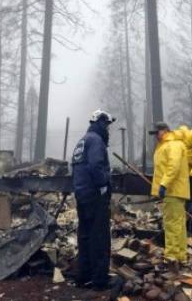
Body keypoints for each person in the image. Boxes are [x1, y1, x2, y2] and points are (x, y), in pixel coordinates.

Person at [71, 109, 115, 291]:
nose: (108, 130)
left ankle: (84, 276)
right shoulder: (96, 141)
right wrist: (104, 184)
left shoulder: (82, 141)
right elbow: (96, 165)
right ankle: (99, 281)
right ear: (101, 123)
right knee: (100, 238)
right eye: (107, 125)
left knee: (85, 237)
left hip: (82, 195)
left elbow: (75, 168)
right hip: (96, 196)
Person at [150, 121, 190, 266]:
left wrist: (163, 184)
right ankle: (180, 256)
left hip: (172, 190)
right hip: (174, 190)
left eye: (157, 133)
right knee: (178, 224)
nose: (156, 136)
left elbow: (173, 166)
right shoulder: (170, 145)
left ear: (165, 130)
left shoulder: (172, 145)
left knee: (172, 224)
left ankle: (172, 257)